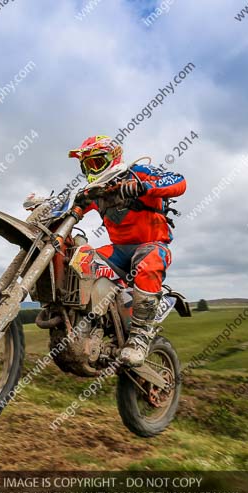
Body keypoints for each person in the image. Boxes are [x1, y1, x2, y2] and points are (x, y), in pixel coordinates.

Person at [68, 135, 186, 366]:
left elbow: (178, 181)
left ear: (112, 158)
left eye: (96, 162)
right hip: (119, 251)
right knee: (80, 258)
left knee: (148, 261)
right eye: (87, 166)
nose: (91, 170)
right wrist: (60, 208)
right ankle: (88, 321)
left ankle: (139, 337)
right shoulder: (96, 191)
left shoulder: (137, 172)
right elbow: (73, 208)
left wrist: (144, 187)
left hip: (151, 245)